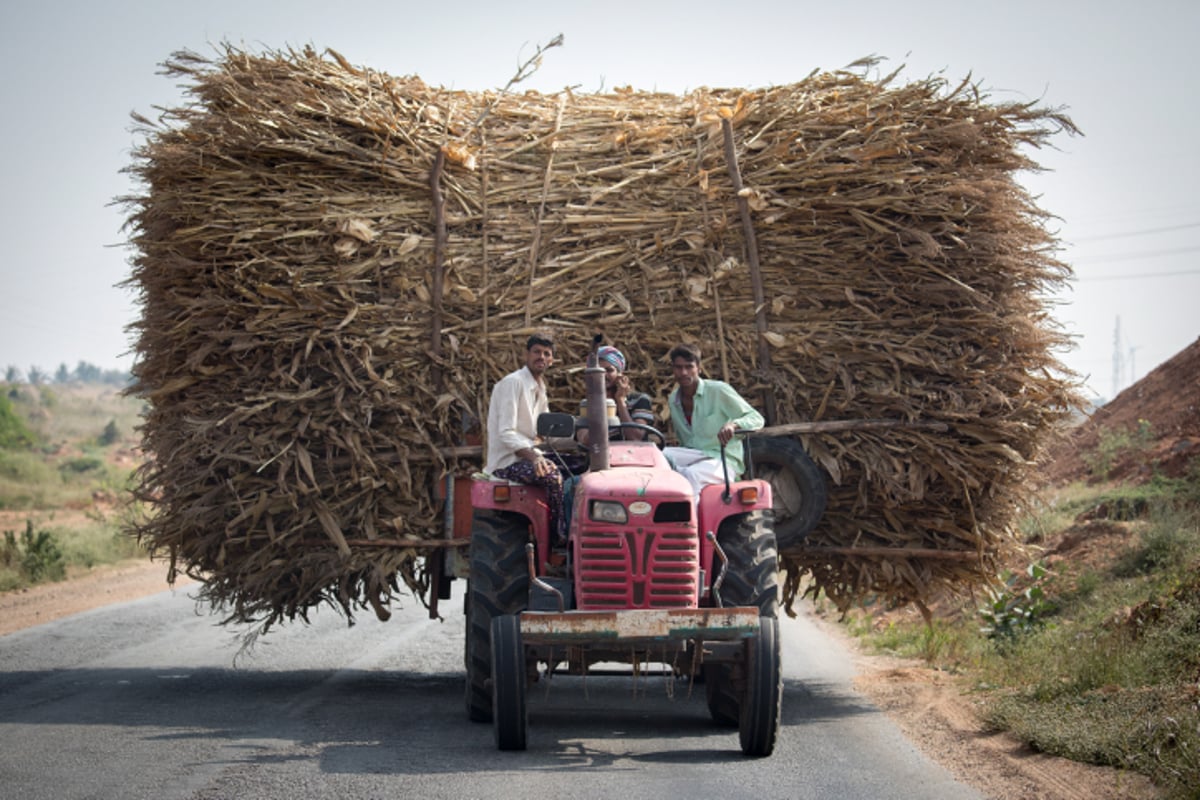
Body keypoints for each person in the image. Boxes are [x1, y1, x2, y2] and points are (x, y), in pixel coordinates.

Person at [484, 333, 566, 542]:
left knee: (578, 469)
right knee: (552, 476)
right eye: (536, 352)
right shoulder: (513, 383)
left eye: (546, 354)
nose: (541, 357)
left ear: (552, 360)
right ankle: (558, 538)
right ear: (526, 355)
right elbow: (506, 433)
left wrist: (581, 438)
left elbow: (544, 434)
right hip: (508, 463)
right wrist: (535, 458)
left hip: (529, 456)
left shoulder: (540, 387)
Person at [663, 343, 764, 496]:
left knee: (691, 475)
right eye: (678, 367)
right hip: (693, 456)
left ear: (699, 368)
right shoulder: (673, 400)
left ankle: (692, 520)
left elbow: (756, 418)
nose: (683, 372)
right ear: (673, 370)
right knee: (658, 457)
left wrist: (733, 425)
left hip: (722, 458)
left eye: (689, 367)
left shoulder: (718, 390)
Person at [578, 345, 656, 443]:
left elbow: (636, 437)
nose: (603, 375)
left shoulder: (640, 400)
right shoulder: (588, 405)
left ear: (620, 374)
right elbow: (585, 440)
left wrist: (620, 401)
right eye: (598, 371)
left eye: (609, 370)